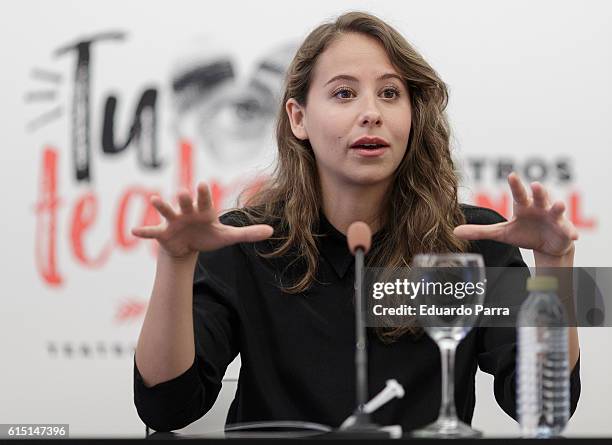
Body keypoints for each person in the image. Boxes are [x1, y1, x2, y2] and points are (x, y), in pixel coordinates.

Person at [132, 11, 580, 433]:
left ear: (412, 115)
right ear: (298, 118)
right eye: (344, 93)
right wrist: (175, 262)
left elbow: (543, 407)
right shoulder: (248, 240)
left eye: (390, 93)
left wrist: (556, 265)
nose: (372, 112)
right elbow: (166, 407)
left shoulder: (473, 241)